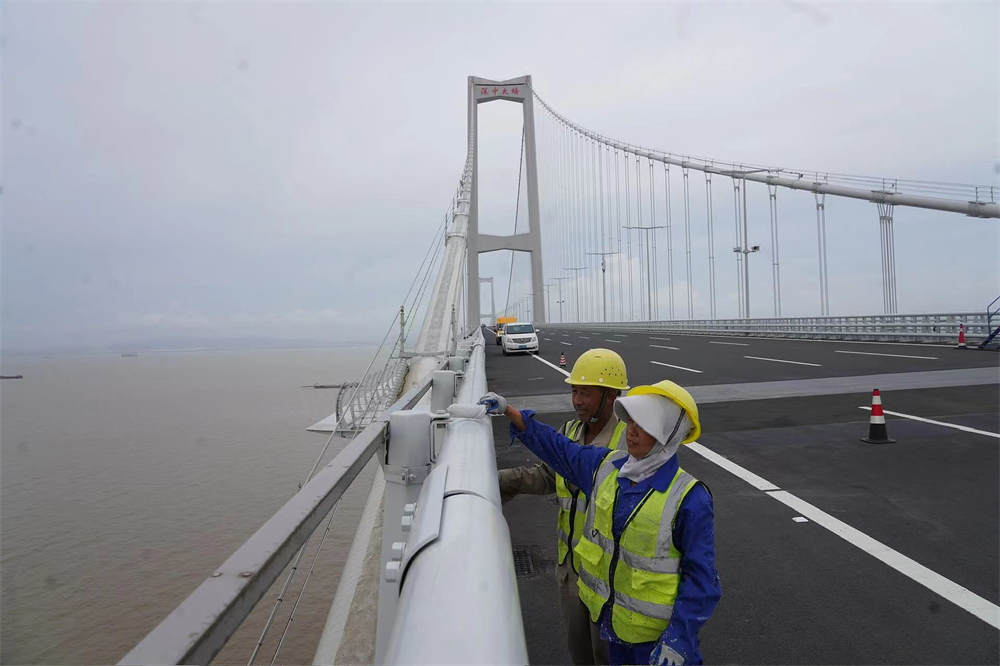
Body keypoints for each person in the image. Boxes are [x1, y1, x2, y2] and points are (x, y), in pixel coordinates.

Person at [481, 380, 721, 666]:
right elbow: (558, 449)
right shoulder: (606, 466)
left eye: (644, 427)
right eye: (631, 422)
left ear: (667, 436)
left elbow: (703, 580)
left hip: (658, 645)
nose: (631, 431)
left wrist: (678, 639)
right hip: (615, 631)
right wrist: (511, 412)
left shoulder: (689, 498)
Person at [497, 348, 629, 665]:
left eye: (586, 392)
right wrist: (496, 482)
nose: (577, 400)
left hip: (610, 576)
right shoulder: (570, 431)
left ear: (610, 396)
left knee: (607, 654)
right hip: (571, 569)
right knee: (580, 651)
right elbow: (548, 476)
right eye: (574, 391)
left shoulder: (627, 441)